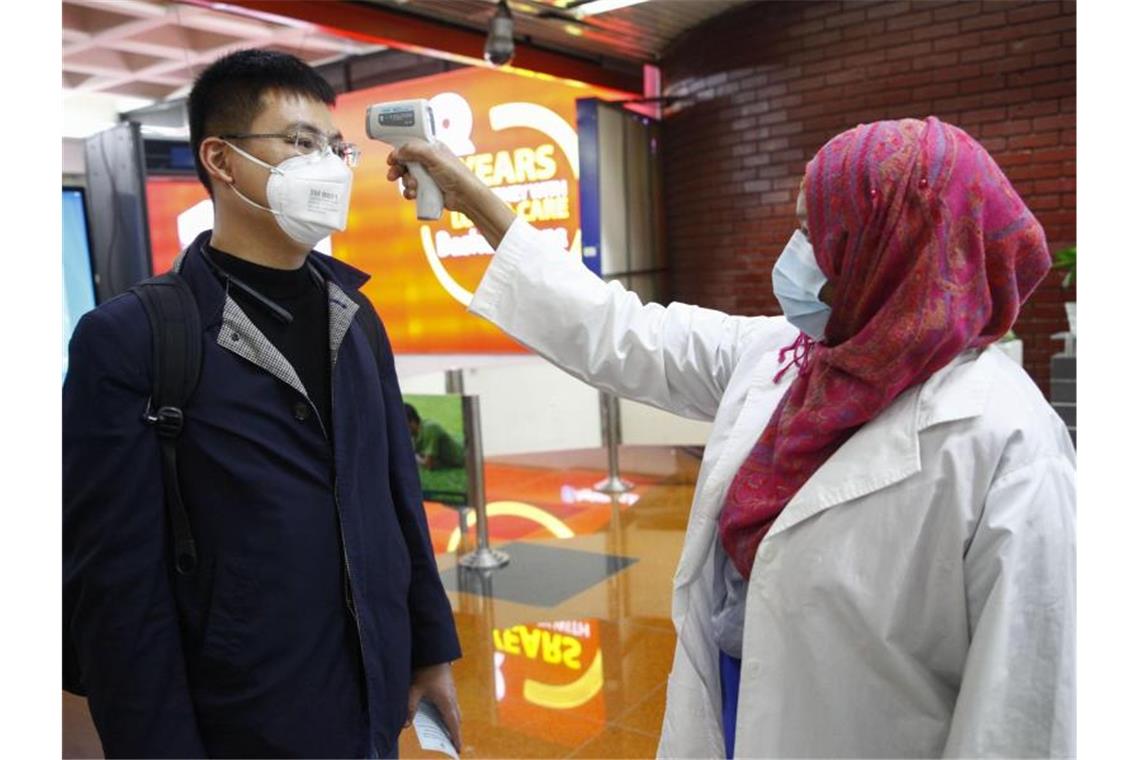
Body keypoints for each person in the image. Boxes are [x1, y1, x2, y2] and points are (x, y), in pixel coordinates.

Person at [386, 116, 1075, 758]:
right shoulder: (795, 357)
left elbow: (1022, 712)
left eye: (816, 234)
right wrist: (472, 199)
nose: (795, 255)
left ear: (886, 252)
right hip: (736, 709)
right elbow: (620, 330)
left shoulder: (1005, 445)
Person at [63, 49, 461, 758]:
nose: (331, 165)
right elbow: (118, 594)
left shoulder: (355, 316)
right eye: (301, 143)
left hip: (369, 704)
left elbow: (397, 495)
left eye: (335, 147)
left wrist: (429, 650)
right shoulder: (132, 339)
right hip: (242, 717)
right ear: (221, 160)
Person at [405, 403, 466, 470]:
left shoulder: (430, 429)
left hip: (465, 457)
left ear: (412, 422)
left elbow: (429, 465)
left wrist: (415, 457)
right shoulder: (415, 434)